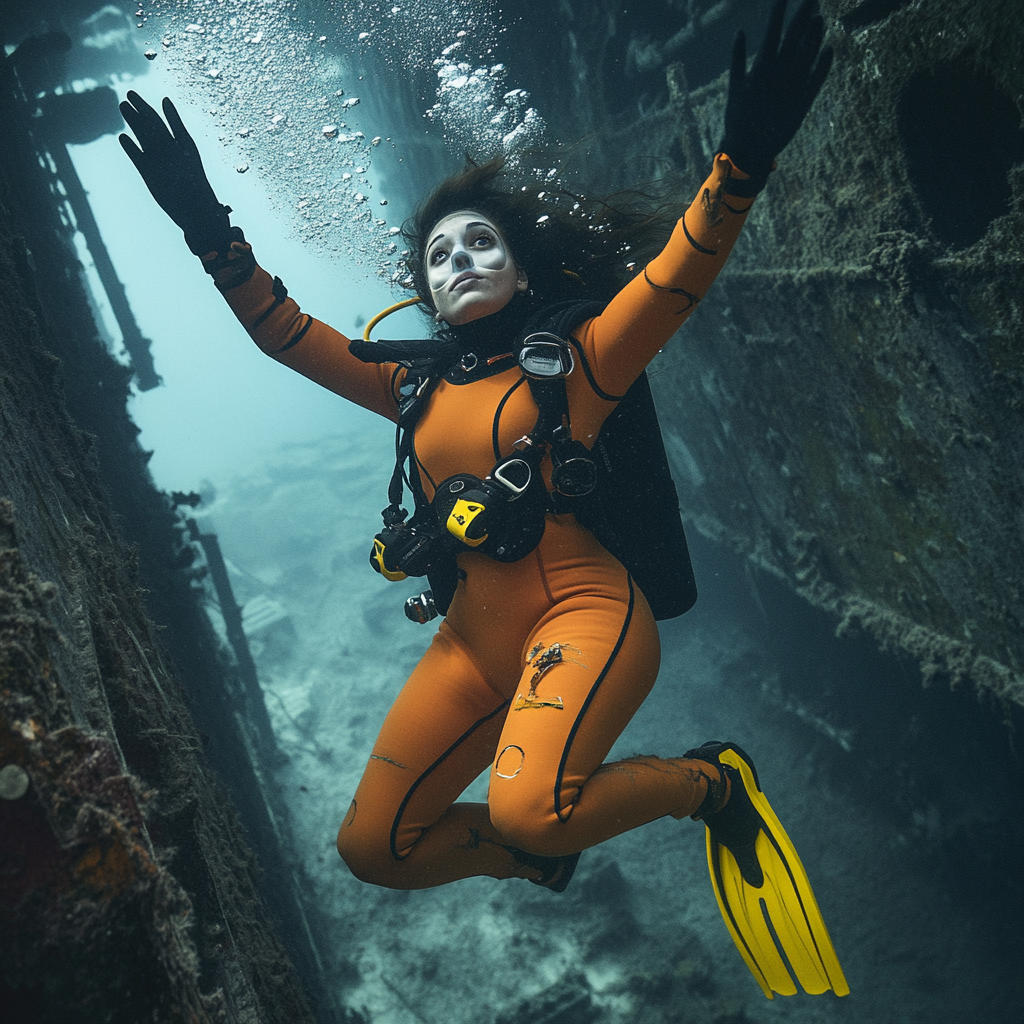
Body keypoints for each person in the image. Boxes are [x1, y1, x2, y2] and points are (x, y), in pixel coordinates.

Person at [120, 0, 848, 999]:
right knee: (374, 845)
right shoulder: (407, 382)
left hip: (587, 616)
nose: (458, 260)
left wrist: (738, 167)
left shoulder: (579, 363)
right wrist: (211, 232)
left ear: (517, 266)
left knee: (527, 803)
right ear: (424, 290)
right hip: (469, 645)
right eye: (439, 255)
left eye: (479, 245)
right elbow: (286, 333)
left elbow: (678, 276)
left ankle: (710, 781)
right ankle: (543, 857)